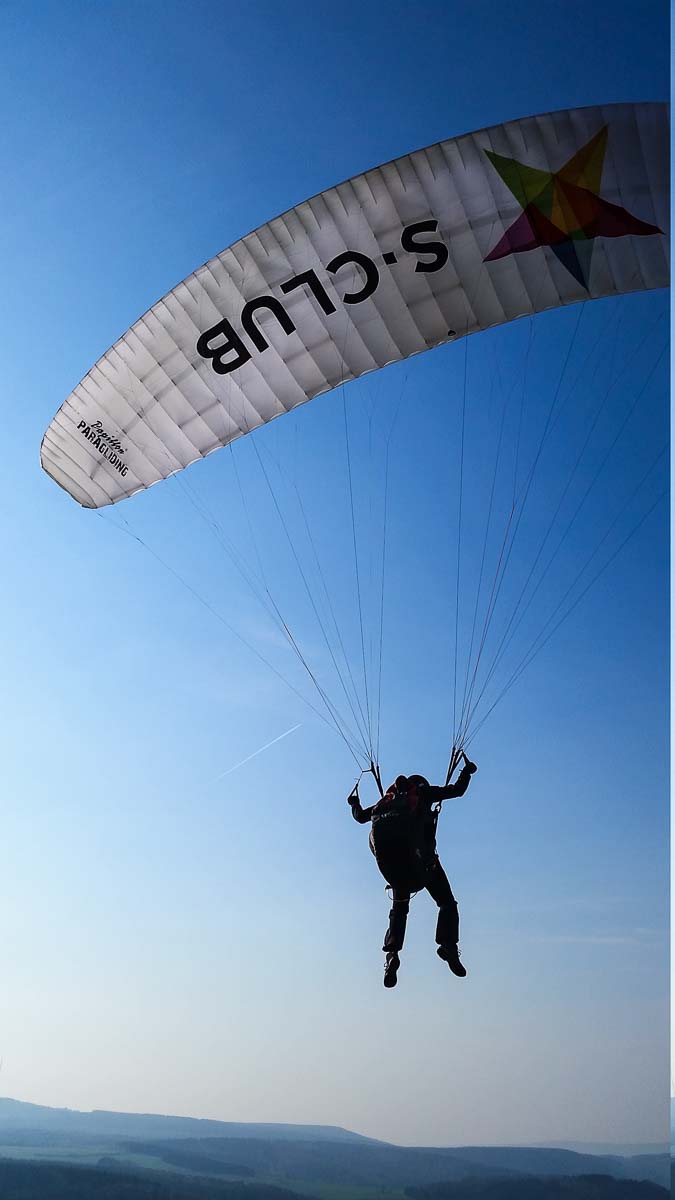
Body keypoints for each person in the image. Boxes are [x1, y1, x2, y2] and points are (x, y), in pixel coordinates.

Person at [347, 754, 477, 988]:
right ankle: (448, 945)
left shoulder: (385, 803)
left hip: (394, 869)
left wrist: (354, 803)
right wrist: (467, 771)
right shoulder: (424, 793)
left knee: (399, 911)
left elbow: (359, 817)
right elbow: (457, 790)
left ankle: (392, 955)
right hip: (422, 865)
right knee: (446, 902)